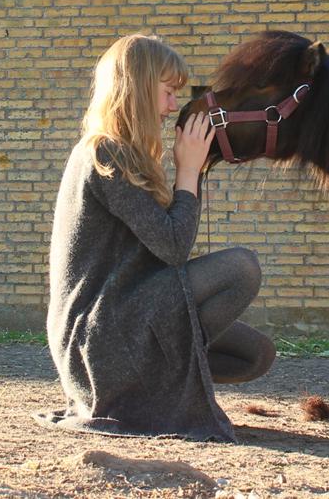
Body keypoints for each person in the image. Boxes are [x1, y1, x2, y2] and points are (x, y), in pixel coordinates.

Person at [35, 33, 275, 442]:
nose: (171, 107)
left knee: (256, 355)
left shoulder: (125, 155)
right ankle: (156, 395)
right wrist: (189, 174)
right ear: (138, 88)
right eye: (167, 93)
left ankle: (159, 388)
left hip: (126, 316)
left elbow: (163, 254)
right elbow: (172, 247)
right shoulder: (105, 153)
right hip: (99, 336)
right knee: (242, 267)